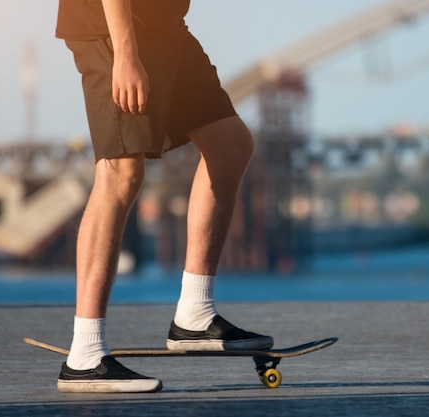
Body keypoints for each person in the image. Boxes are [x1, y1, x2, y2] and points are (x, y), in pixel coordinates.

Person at [54, 0, 273, 393]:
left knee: (230, 143)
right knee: (121, 172)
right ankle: (85, 354)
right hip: (112, 28)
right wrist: (125, 54)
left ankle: (195, 314)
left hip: (165, 24)